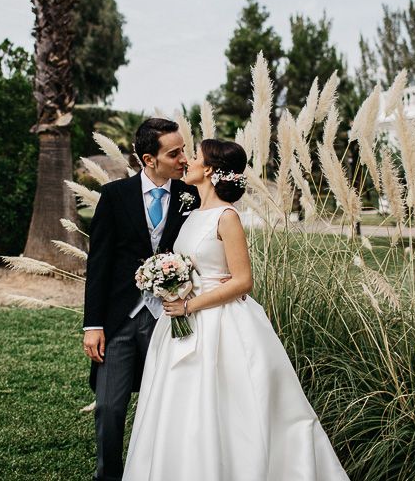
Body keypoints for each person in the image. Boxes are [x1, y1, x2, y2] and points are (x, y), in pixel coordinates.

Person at [123, 139, 350, 481]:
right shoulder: (192, 215)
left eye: (195, 156)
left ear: (210, 169)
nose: (188, 161)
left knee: (226, 406)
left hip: (218, 322)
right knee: (180, 406)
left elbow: (243, 281)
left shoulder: (227, 217)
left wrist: (189, 304)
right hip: (181, 321)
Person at [83, 118, 200, 481]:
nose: (184, 158)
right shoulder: (114, 196)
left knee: (171, 403)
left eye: (183, 150)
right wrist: (93, 324)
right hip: (120, 318)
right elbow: (99, 262)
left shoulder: (189, 196)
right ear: (149, 159)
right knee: (109, 407)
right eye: (175, 152)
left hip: (170, 318)